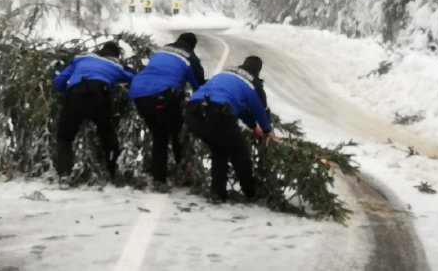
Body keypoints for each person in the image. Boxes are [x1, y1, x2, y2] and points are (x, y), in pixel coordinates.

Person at [185, 56, 275, 202]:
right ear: (258, 71)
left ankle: (217, 192)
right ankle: (251, 192)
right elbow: (259, 109)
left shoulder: (225, 73)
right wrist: (266, 130)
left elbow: (241, 109)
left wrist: (252, 126)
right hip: (218, 115)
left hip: (193, 113)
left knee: (219, 149)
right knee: (239, 154)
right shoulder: (253, 83)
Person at [52, 41, 135, 186]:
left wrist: (63, 92)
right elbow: (134, 78)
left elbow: (59, 79)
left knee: (65, 136)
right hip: (99, 96)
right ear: (116, 55)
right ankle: (113, 172)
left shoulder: (81, 58)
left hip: (75, 95)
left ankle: (64, 174)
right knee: (107, 135)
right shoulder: (115, 65)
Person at [128, 33, 204, 183]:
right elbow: (199, 87)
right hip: (161, 97)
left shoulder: (160, 51)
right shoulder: (190, 58)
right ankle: (182, 173)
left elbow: (158, 74)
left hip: (139, 95)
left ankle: (159, 177)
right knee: (178, 134)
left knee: (159, 135)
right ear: (192, 46)